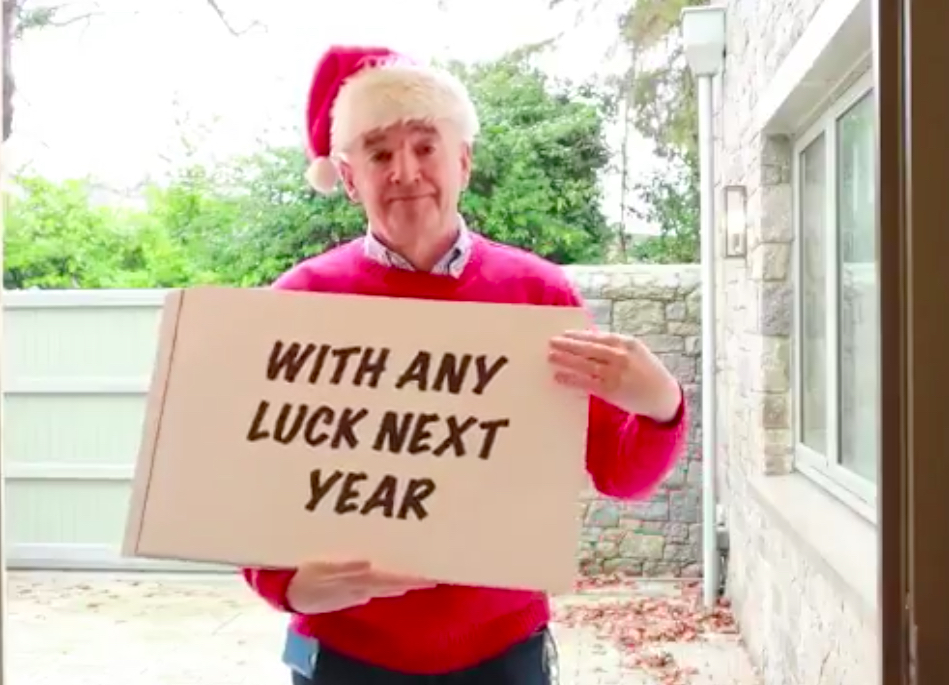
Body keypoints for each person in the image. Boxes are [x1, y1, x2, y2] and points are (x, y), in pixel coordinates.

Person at [242, 44, 688, 685]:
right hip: (347, 656)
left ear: (464, 160)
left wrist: (662, 404)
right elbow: (252, 479)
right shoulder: (299, 301)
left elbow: (619, 472)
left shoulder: (539, 294)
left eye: (425, 146)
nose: (404, 170)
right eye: (378, 153)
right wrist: (282, 582)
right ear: (347, 177)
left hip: (502, 653)